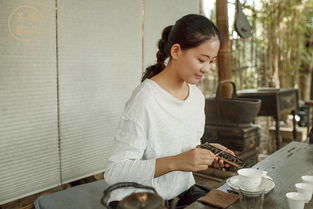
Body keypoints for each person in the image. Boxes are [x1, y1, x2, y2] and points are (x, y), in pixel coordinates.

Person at [104, 14, 234, 209]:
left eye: (212, 61)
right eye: (201, 59)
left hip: (181, 194)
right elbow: (114, 172)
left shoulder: (196, 97)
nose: (207, 68)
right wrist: (176, 162)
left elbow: (182, 146)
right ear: (176, 51)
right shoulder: (145, 99)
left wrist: (207, 152)